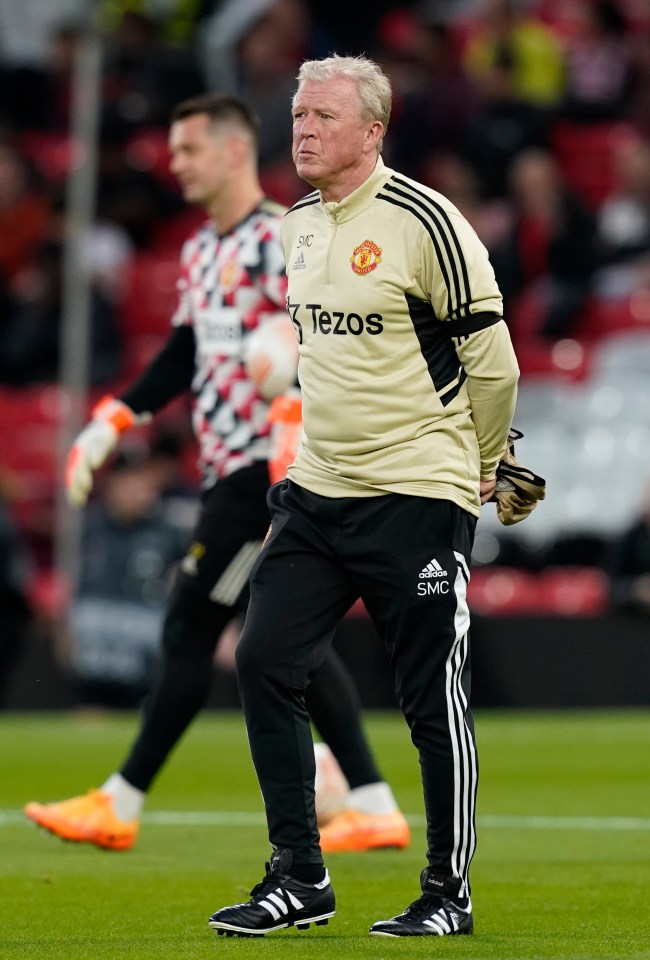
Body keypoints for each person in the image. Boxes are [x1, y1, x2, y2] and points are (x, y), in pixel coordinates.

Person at [24, 92, 409, 855]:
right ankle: (371, 802)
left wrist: (294, 397)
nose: (175, 163)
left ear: (233, 151)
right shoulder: (204, 250)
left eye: (189, 149)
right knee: (283, 638)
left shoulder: (285, 241)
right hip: (230, 470)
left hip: (269, 478)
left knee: (190, 626)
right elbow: (181, 354)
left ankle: (120, 802)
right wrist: (113, 419)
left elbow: (339, 335)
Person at [207, 55, 519, 939]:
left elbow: (492, 362)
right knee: (264, 657)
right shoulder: (299, 224)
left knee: (429, 696)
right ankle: (299, 876)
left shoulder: (426, 220)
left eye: (323, 118)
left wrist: (488, 463)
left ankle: (444, 895)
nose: (301, 129)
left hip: (417, 490)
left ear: (373, 131)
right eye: (299, 115)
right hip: (318, 489)